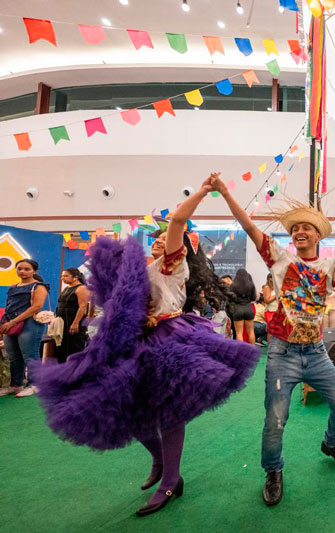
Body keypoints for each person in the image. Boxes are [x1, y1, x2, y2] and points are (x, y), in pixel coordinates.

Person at [35, 174, 260, 517]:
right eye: (153, 239)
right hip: (133, 345)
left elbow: (178, 220)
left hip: (170, 339)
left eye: (163, 239)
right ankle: (160, 461)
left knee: (170, 411)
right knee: (131, 410)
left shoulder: (171, 265)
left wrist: (203, 190)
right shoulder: (133, 275)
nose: (157, 242)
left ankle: (170, 480)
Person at [210, 174, 335, 507]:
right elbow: (248, 226)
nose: (299, 232)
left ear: (318, 235)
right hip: (282, 354)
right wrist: (225, 191)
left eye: (306, 228)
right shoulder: (279, 258)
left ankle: (331, 444)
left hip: (317, 352)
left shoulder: (330, 266)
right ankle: (273, 471)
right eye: (295, 229)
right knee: (275, 420)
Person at [0, 259, 49, 398]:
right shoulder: (13, 287)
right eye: (19, 268)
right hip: (10, 323)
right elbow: (9, 306)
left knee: (30, 355)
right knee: (13, 356)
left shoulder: (39, 286)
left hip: (30, 324)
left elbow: (36, 307)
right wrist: (5, 322)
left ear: (35, 271)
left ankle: (35, 384)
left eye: (27, 269)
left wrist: (13, 321)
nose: (22, 271)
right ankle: (15, 385)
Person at [53, 268, 90, 364]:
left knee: (74, 348)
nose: (62, 278)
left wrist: (75, 323)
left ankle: (75, 372)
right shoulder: (66, 288)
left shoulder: (81, 288)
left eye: (66, 276)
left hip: (73, 322)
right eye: (62, 276)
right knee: (62, 348)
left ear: (75, 277)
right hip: (62, 322)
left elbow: (82, 307)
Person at [230, 268, 258, 345]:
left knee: (239, 333)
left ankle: (241, 352)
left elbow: (230, 298)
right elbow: (254, 298)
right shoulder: (251, 285)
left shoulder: (233, 285)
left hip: (238, 309)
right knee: (251, 331)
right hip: (248, 308)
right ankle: (252, 351)